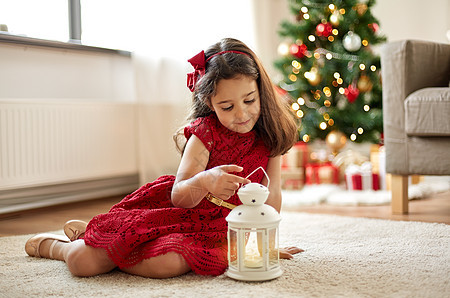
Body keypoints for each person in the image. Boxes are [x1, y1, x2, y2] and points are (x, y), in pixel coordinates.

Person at [25, 38, 303, 278]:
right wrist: (206, 181)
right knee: (81, 264)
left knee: (168, 263)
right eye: (227, 106)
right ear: (209, 103)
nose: (241, 115)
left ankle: (108, 243)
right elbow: (178, 195)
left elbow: (273, 192)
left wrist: (264, 244)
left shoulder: (269, 134)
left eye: (250, 100)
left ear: (260, 91)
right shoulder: (205, 134)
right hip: (183, 214)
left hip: (226, 229)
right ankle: (61, 246)